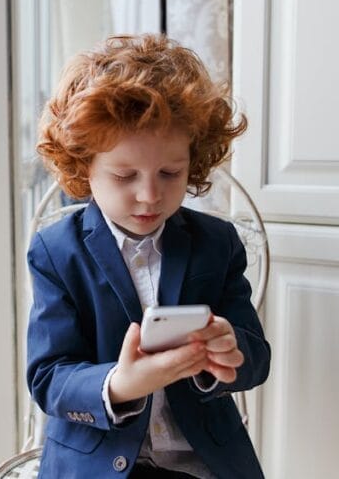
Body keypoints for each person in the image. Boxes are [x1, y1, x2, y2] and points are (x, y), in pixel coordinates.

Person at [26, 34, 270, 478]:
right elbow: (49, 377)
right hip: (97, 464)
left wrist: (229, 352)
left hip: (203, 463)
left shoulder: (218, 243)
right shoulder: (57, 251)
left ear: (193, 163)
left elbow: (256, 356)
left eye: (170, 173)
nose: (149, 195)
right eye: (124, 175)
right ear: (83, 167)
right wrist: (120, 385)